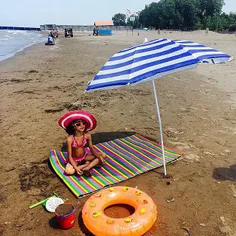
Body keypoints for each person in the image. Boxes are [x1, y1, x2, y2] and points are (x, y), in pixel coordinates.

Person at [58, 110, 106, 177]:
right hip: (74, 159)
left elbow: (91, 149)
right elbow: (69, 156)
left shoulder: (87, 135)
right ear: (73, 127)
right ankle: (86, 165)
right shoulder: (70, 139)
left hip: (84, 157)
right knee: (69, 171)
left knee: (102, 155)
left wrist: (99, 157)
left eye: (83, 123)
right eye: (78, 124)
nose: (82, 125)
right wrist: (76, 167)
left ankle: (87, 168)